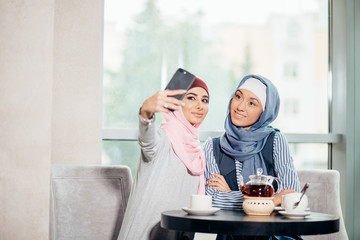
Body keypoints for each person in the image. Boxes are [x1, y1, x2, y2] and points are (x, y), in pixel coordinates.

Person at [203, 75, 301, 240]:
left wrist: (231, 194)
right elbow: (212, 199)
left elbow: (291, 194)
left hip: (274, 234)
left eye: (252, 103)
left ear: (264, 112)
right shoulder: (212, 147)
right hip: (230, 236)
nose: (240, 107)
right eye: (238, 96)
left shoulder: (275, 140)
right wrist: (270, 198)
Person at [118, 77, 210, 240]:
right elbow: (147, 139)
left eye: (205, 100)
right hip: (145, 234)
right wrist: (146, 112)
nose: (199, 106)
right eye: (191, 98)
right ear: (176, 104)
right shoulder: (162, 139)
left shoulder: (198, 153)